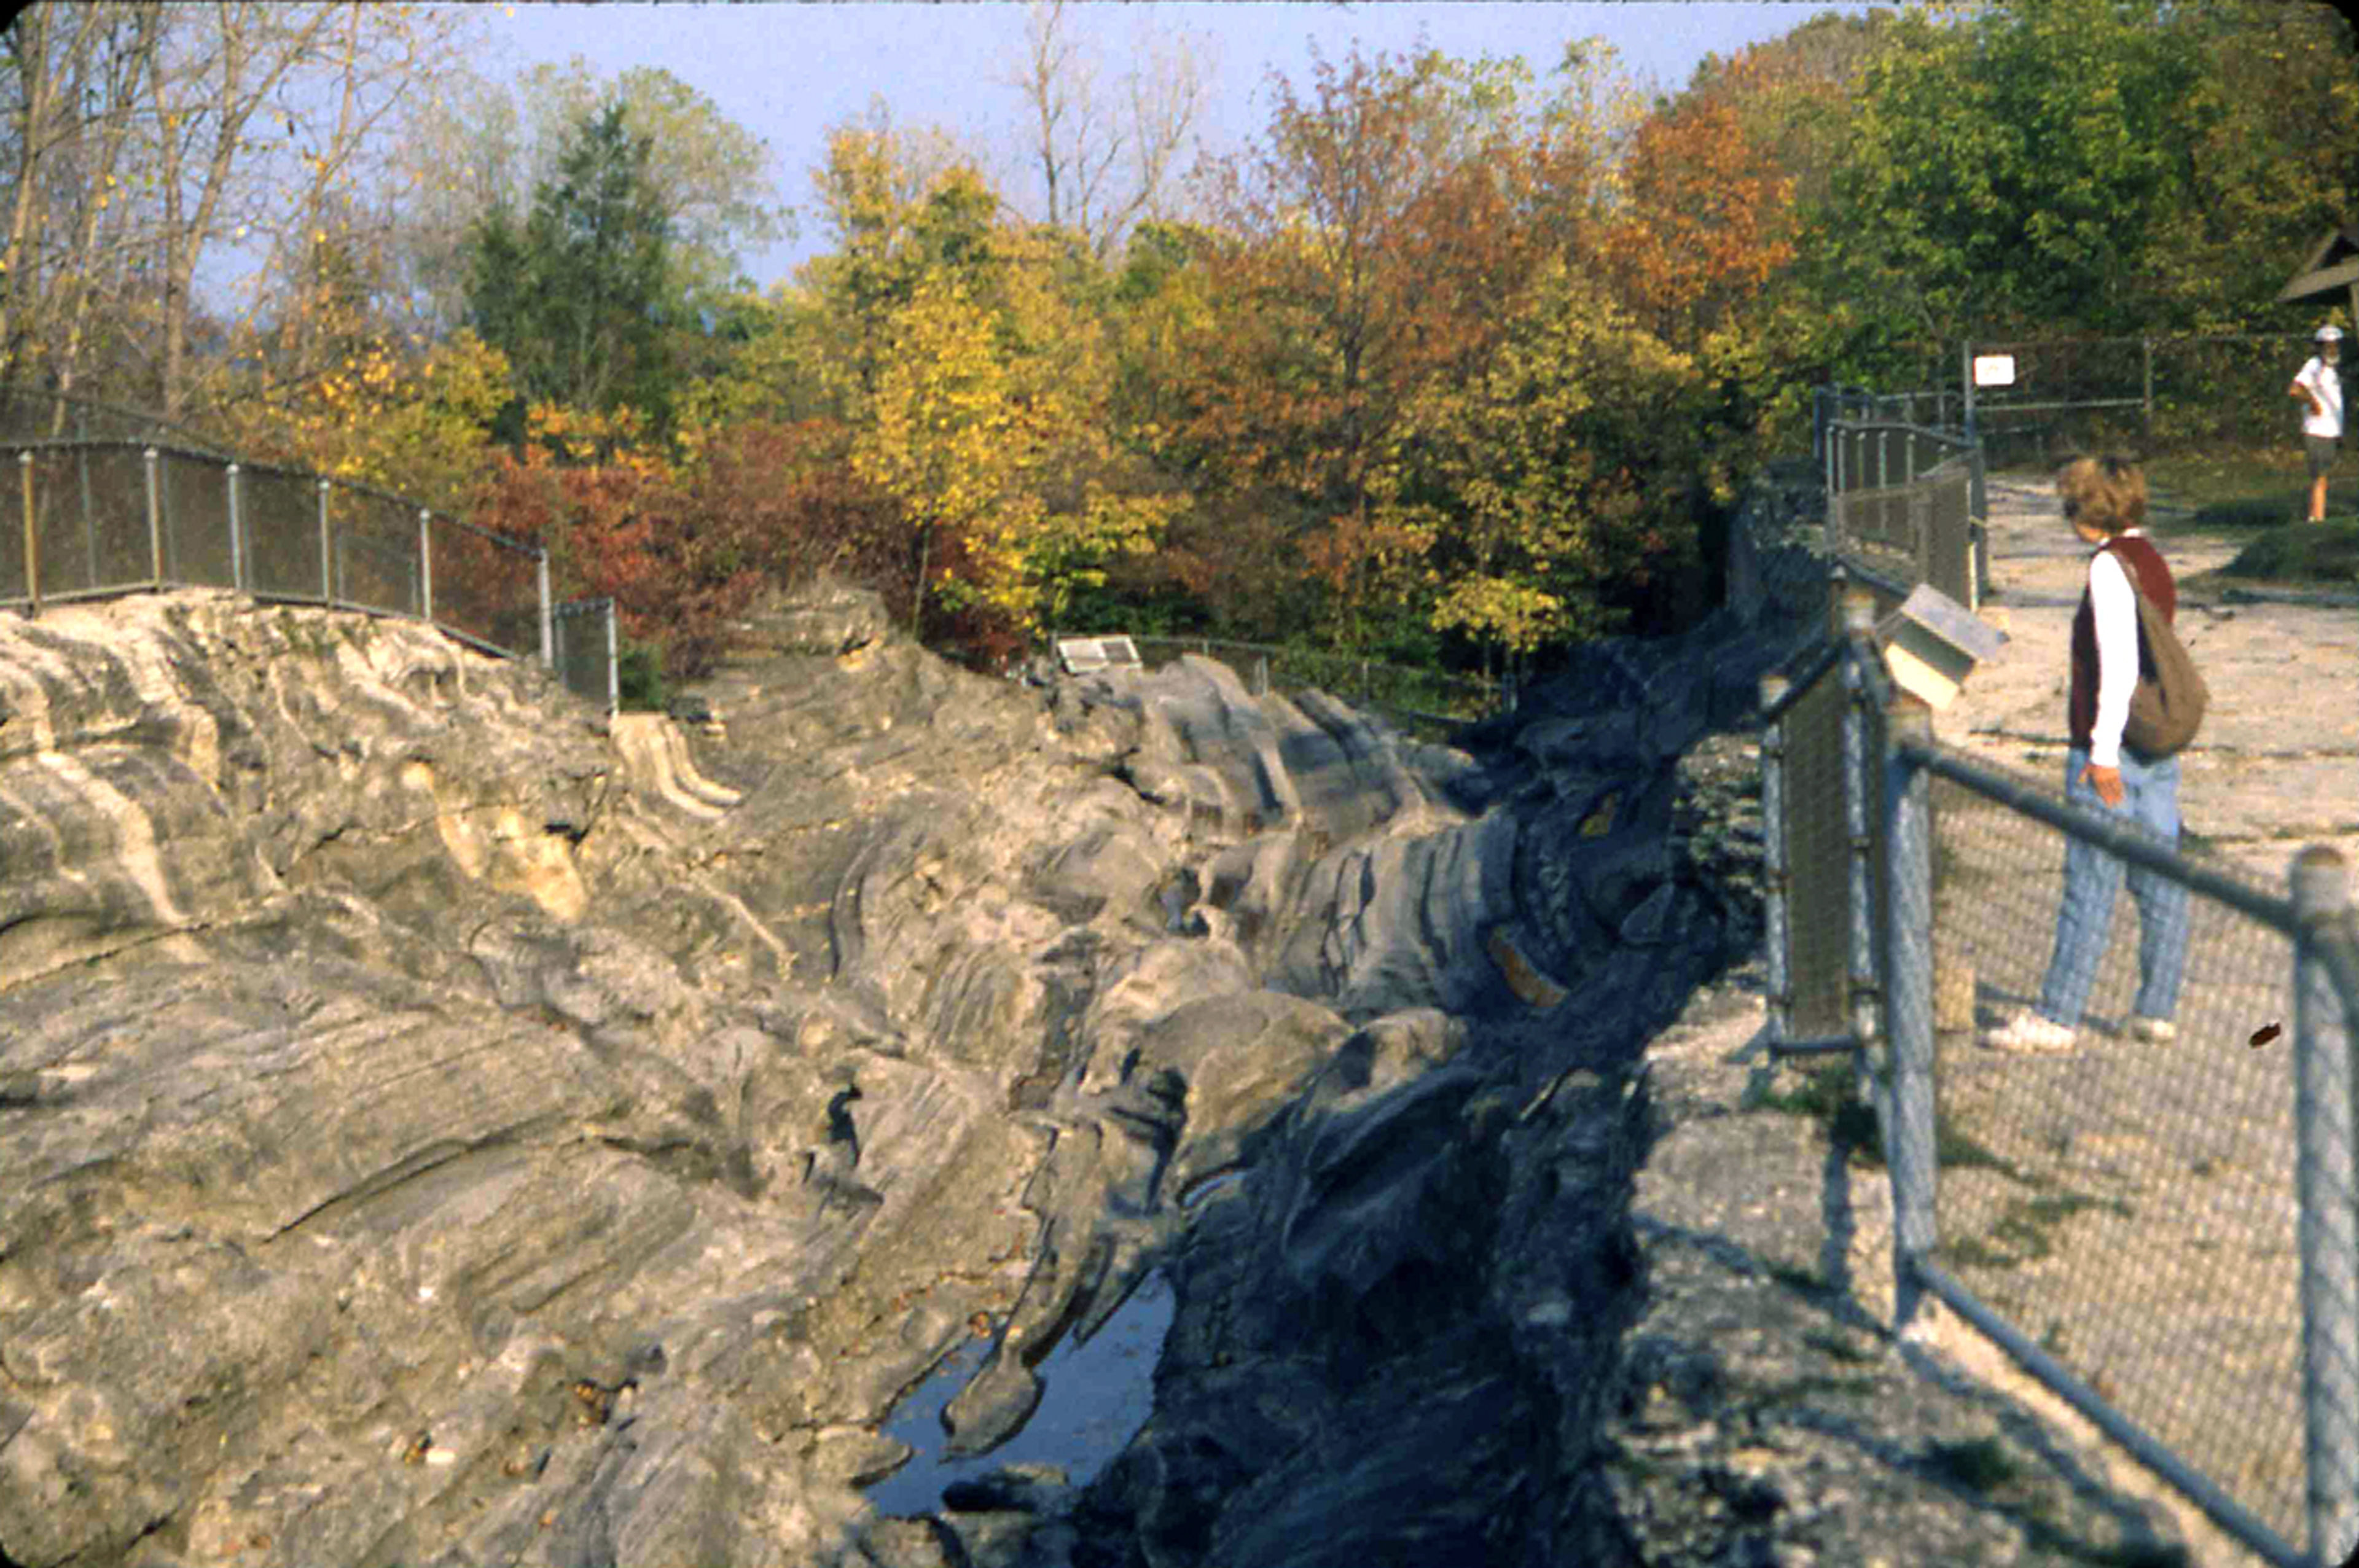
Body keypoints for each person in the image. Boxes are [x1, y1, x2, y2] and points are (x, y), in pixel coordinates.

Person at [1984, 455, 2190, 1054]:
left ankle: (2058, 1014)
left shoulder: (2107, 568)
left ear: (2086, 511)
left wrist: (2099, 753)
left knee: (2090, 885)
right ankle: (2157, 1008)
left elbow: (2119, 666)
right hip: (2155, 749)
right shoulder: (2151, 560)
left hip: (2111, 750)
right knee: (2160, 882)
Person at [2291, 324, 2344, 522]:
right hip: (2317, 431)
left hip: (2331, 432)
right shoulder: (2315, 365)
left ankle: (2316, 518)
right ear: (2320, 347)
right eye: (2328, 346)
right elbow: (2295, 389)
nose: (2332, 349)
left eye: (2335, 345)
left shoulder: (2333, 369)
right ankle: (2316, 520)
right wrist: (2313, 403)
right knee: (2319, 478)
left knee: (2323, 478)